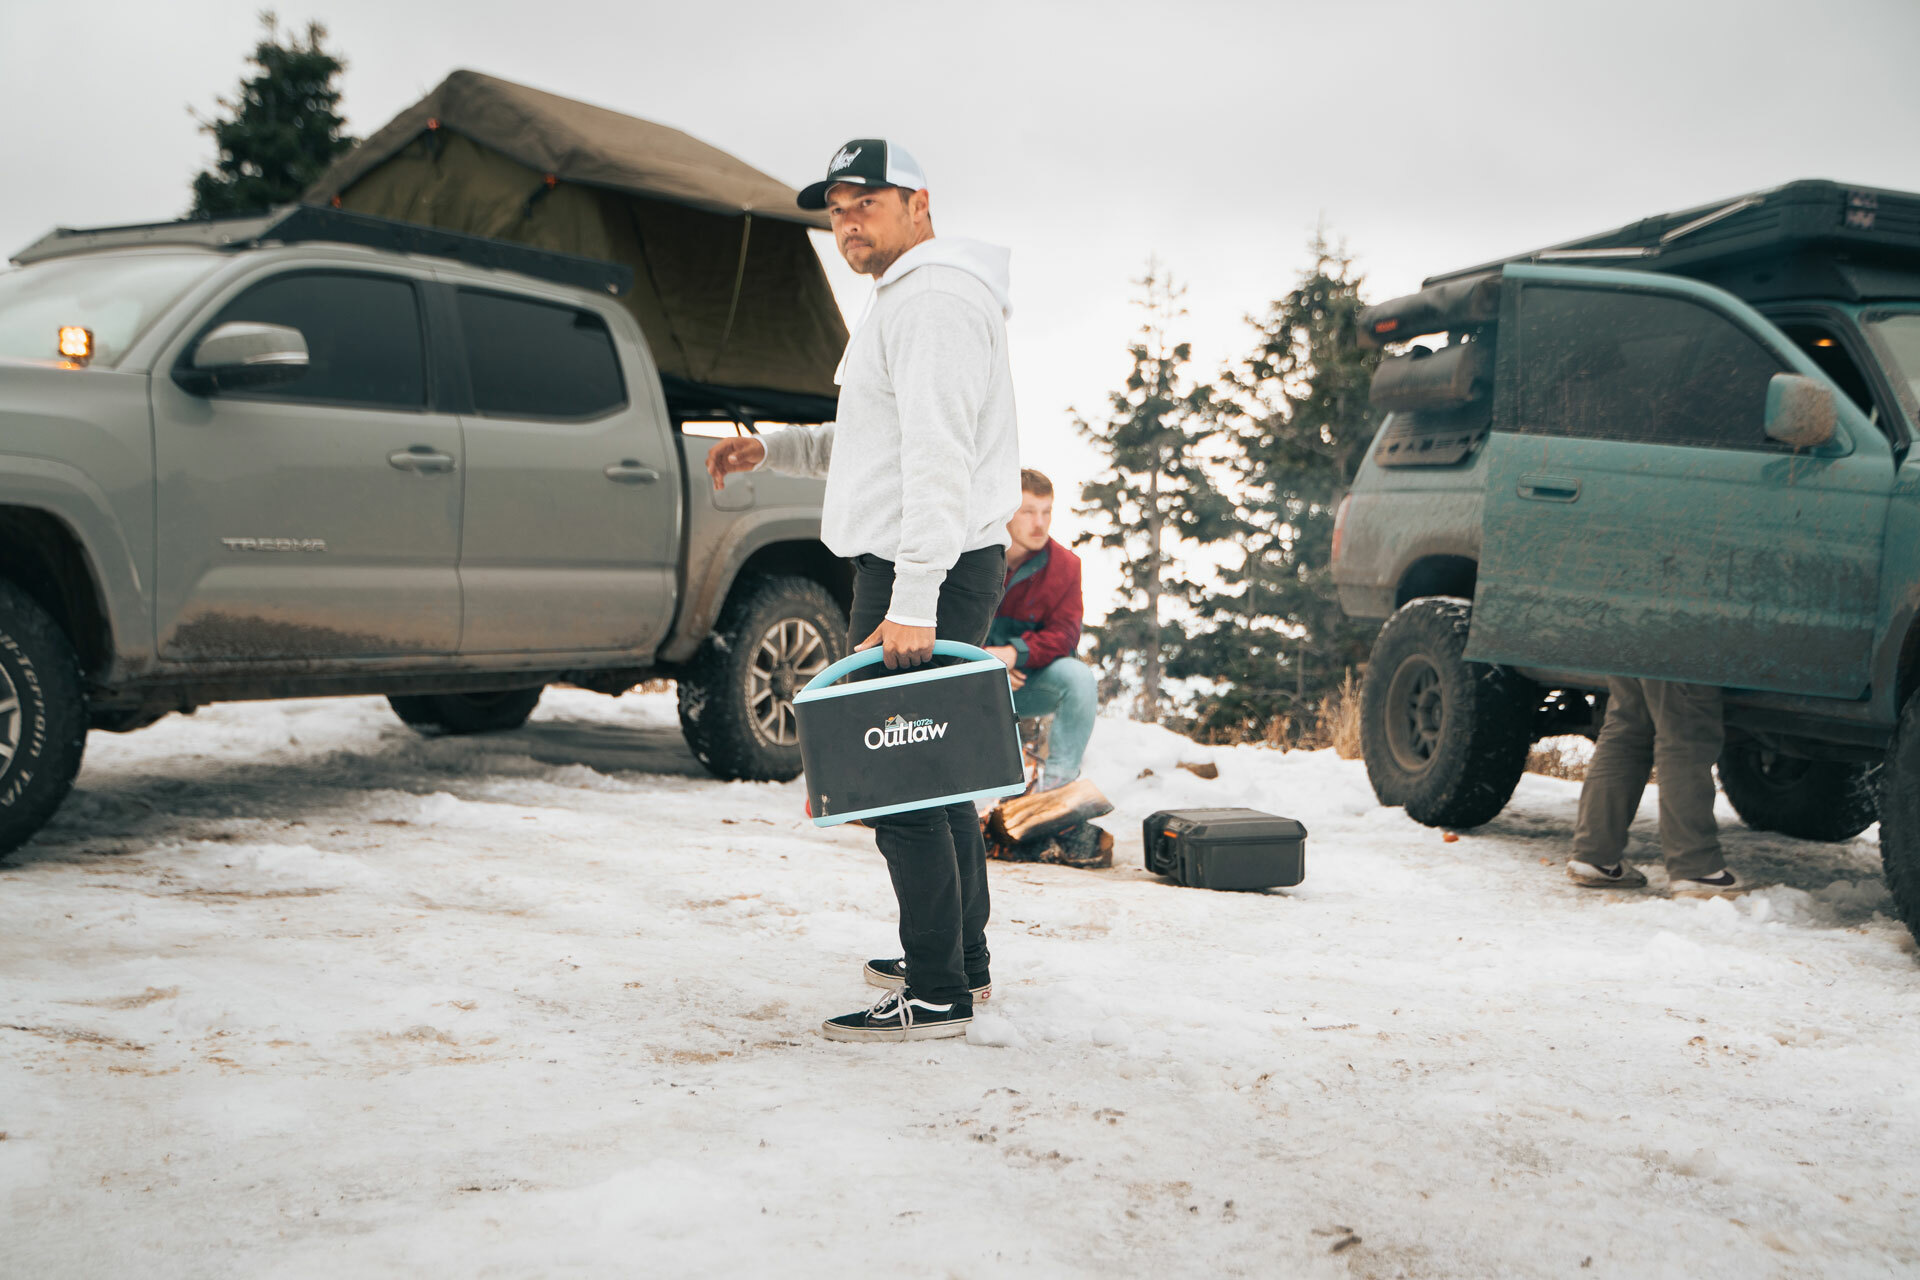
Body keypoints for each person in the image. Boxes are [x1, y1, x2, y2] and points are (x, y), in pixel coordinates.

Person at [705, 139, 1020, 1043]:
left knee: (899, 772)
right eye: (836, 207)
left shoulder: (932, 299)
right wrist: (775, 447)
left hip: (927, 567)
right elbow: (876, 444)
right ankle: (961, 962)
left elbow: (937, 458)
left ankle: (935, 992)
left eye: (865, 201)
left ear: (919, 202)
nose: (847, 220)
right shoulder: (911, 297)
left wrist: (912, 599)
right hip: (930, 562)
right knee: (938, 771)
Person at [1567, 677, 1743, 897]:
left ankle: (1595, 856)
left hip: (1630, 646)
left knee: (1627, 728)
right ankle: (1696, 868)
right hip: (1682, 648)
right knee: (1685, 730)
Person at [983, 468, 1097, 792]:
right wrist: (986, 666)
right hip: (968, 682)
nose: (1040, 523)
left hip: (1025, 681)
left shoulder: (1066, 566)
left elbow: (1065, 635)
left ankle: (1056, 790)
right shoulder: (972, 557)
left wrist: (1014, 654)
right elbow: (947, 625)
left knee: (1079, 678)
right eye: (1028, 512)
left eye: (1046, 512)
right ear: (1006, 512)